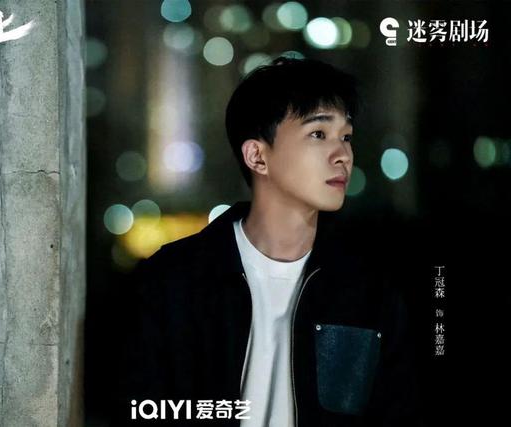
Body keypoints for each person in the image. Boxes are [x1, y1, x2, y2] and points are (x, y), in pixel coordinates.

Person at [117, 57, 422, 426]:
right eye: (318, 134)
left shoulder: (370, 290)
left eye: (346, 137)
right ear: (257, 156)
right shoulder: (174, 280)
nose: (342, 155)